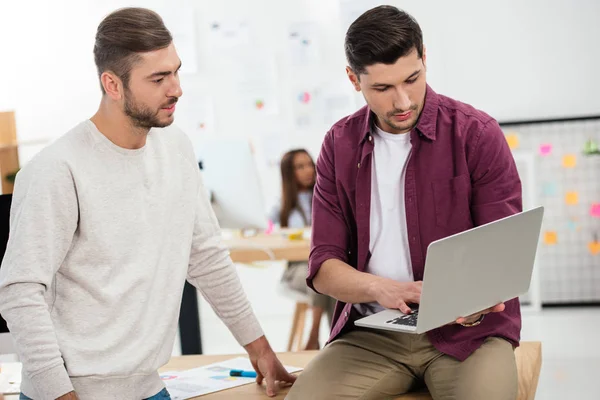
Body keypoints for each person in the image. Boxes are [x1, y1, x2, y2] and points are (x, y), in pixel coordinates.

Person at [0, 8, 295, 400]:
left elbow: (205, 256)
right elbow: (20, 290)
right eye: (158, 78)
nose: (176, 89)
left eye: (175, 71)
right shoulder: (57, 169)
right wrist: (58, 393)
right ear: (113, 84)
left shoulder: (176, 148)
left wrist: (259, 349)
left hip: (150, 386)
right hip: (71, 393)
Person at [288, 5, 521, 400]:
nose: (402, 101)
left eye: (412, 79)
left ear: (425, 57)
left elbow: (503, 252)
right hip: (373, 334)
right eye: (382, 88)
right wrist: (383, 289)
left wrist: (479, 298)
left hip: (469, 335)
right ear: (353, 79)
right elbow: (324, 269)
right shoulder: (338, 145)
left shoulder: (476, 134)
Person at [269, 149, 336, 350]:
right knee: (321, 278)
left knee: (333, 280)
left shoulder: (326, 197)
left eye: (309, 164)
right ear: (289, 173)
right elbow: (265, 232)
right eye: (300, 167)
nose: (308, 170)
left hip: (322, 265)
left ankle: (327, 340)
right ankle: (320, 337)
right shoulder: (280, 207)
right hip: (296, 269)